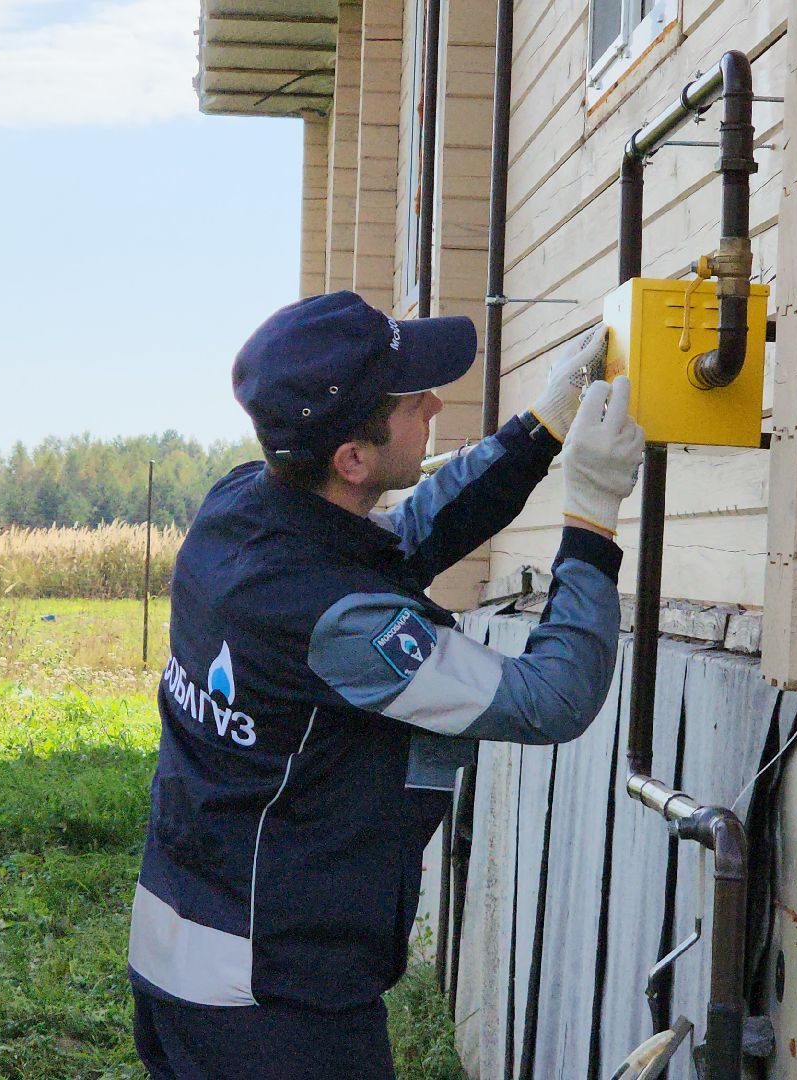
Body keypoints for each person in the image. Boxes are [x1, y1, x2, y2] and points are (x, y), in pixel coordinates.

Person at [128, 290, 645, 1078]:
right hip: (271, 1003)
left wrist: (537, 432)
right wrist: (594, 519)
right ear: (354, 460)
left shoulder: (241, 506)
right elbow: (552, 697)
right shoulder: (343, 625)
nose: (436, 403)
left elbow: (398, 540)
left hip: (183, 943)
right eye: (413, 400)